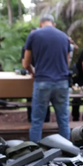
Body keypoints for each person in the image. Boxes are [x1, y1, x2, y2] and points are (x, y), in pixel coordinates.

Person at [22, 14, 70, 142]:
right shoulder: (64, 37)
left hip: (42, 81)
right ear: (54, 24)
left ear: (40, 24)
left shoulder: (34, 35)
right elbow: (67, 63)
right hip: (62, 82)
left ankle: (35, 152)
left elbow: (26, 63)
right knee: (63, 120)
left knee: (37, 121)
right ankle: (67, 151)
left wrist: (32, 72)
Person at [21, 27, 49, 123]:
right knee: (30, 97)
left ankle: (46, 119)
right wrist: (32, 71)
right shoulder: (25, 48)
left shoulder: (43, 47)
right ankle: (30, 118)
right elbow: (25, 63)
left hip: (43, 76)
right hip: (31, 76)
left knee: (45, 99)